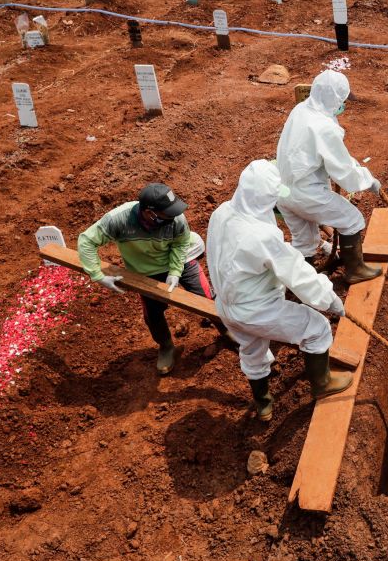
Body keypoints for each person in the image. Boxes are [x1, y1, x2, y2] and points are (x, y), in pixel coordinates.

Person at [207, 160, 349, 422]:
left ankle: (263, 404)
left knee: (252, 350)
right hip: (257, 308)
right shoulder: (261, 236)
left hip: (226, 305)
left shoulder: (222, 213)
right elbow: (297, 273)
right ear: (262, 197)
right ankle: (322, 384)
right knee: (316, 329)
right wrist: (329, 299)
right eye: (273, 196)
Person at [78, 183, 221, 375]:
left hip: (181, 260)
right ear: (149, 212)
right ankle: (166, 346)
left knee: (207, 300)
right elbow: (87, 241)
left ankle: (227, 332)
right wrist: (97, 275)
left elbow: (180, 244)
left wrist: (175, 271)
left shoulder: (176, 219)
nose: (173, 217)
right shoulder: (119, 220)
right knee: (152, 315)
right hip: (145, 270)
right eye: (166, 214)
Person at [275, 69, 383, 284]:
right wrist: (368, 180)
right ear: (334, 98)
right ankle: (356, 270)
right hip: (307, 193)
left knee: (304, 240)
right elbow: (343, 171)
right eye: (342, 100)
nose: (344, 104)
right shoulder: (324, 127)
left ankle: (302, 281)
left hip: (283, 190)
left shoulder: (301, 110)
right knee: (352, 220)